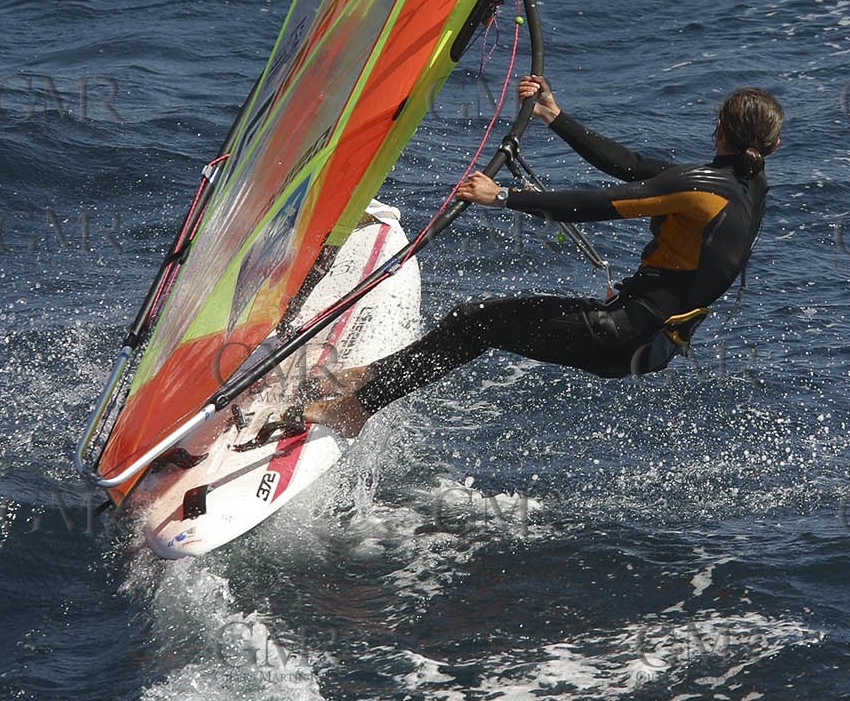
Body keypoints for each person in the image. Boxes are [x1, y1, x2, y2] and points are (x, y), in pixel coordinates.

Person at [304, 77, 783, 437]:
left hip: (622, 334)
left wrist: (502, 198)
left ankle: (356, 410)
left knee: (476, 323)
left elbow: (602, 203)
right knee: (473, 320)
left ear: (717, 128)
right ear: (772, 146)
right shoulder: (750, 186)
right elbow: (633, 166)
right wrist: (554, 116)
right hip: (652, 343)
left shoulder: (701, 189)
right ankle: (368, 378)